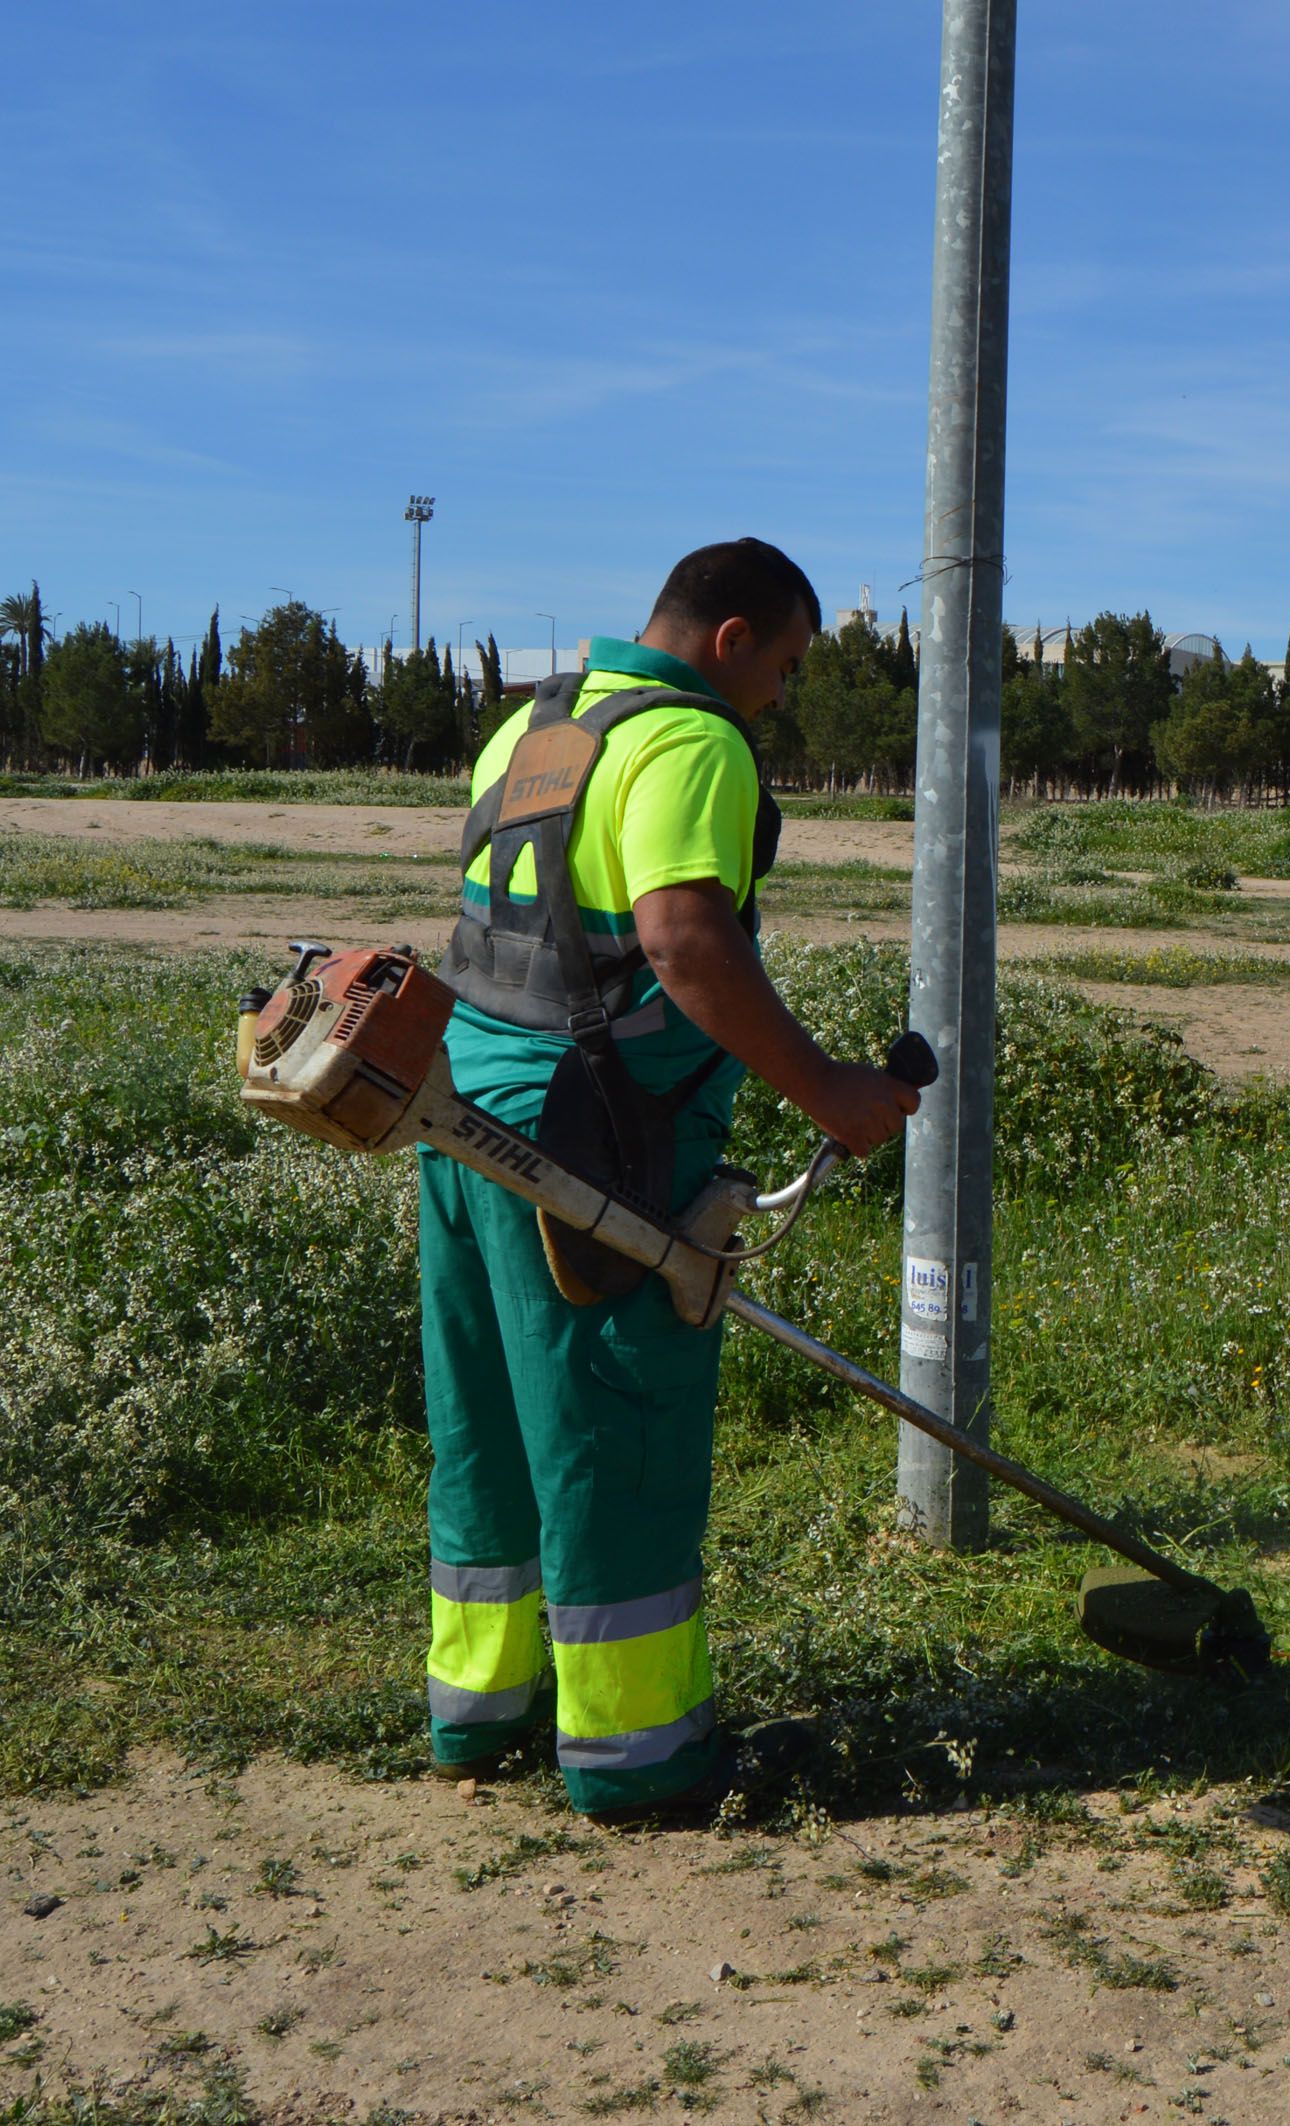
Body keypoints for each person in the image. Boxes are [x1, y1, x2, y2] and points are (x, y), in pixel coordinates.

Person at [418, 538, 917, 1822]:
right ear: (732, 638)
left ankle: (480, 1710)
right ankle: (638, 1756)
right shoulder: (691, 741)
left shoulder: (535, 728)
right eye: (789, 666)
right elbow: (683, 939)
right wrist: (835, 1092)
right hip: (600, 1143)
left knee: (488, 1429)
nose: (785, 697)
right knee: (611, 1435)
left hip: (461, 1115)